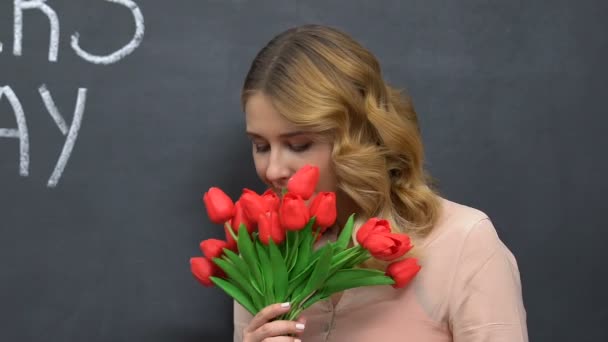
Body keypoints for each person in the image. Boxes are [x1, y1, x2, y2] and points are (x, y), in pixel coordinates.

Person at [235, 24, 528, 342]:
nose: (273, 169)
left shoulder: (463, 242)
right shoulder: (262, 254)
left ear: (357, 137)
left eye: (299, 144)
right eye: (261, 146)